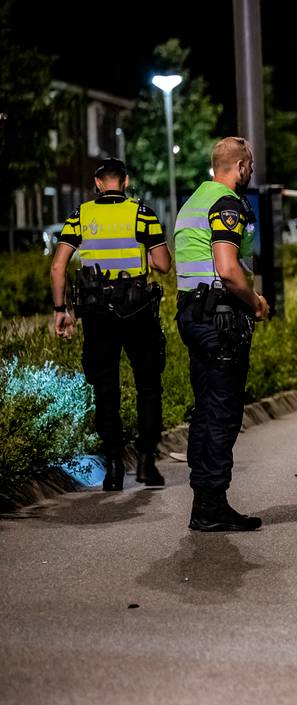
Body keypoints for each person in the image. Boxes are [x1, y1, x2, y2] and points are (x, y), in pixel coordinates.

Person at [51, 158, 170, 491]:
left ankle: (114, 467)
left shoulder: (80, 215)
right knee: (148, 385)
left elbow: (58, 267)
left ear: (98, 183)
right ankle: (147, 463)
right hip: (137, 311)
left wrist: (60, 309)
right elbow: (163, 264)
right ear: (126, 181)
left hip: (97, 313)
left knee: (106, 390)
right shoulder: (142, 213)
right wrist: (143, 255)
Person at [174, 137, 270, 532]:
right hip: (220, 319)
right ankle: (210, 506)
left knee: (206, 408)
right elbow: (228, 269)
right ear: (243, 164)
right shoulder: (227, 203)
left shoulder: (194, 200)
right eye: (250, 166)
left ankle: (205, 502)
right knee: (222, 413)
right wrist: (255, 301)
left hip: (195, 316)